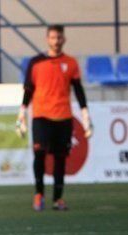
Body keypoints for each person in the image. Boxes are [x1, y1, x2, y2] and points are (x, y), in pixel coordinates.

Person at [16, 24, 93, 211]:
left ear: (63, 39)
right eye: (52, 38)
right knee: (39, 156)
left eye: (59, 38)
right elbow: (28, 90)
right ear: (47, 39)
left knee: (60, 159)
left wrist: (85, 113)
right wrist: (22, 113)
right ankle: (39, 195)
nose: (56, 41)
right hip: (41, 117)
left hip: (64, 118)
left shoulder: (71, 63)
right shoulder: (35, 63)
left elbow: (78, 90)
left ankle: (57, 199)